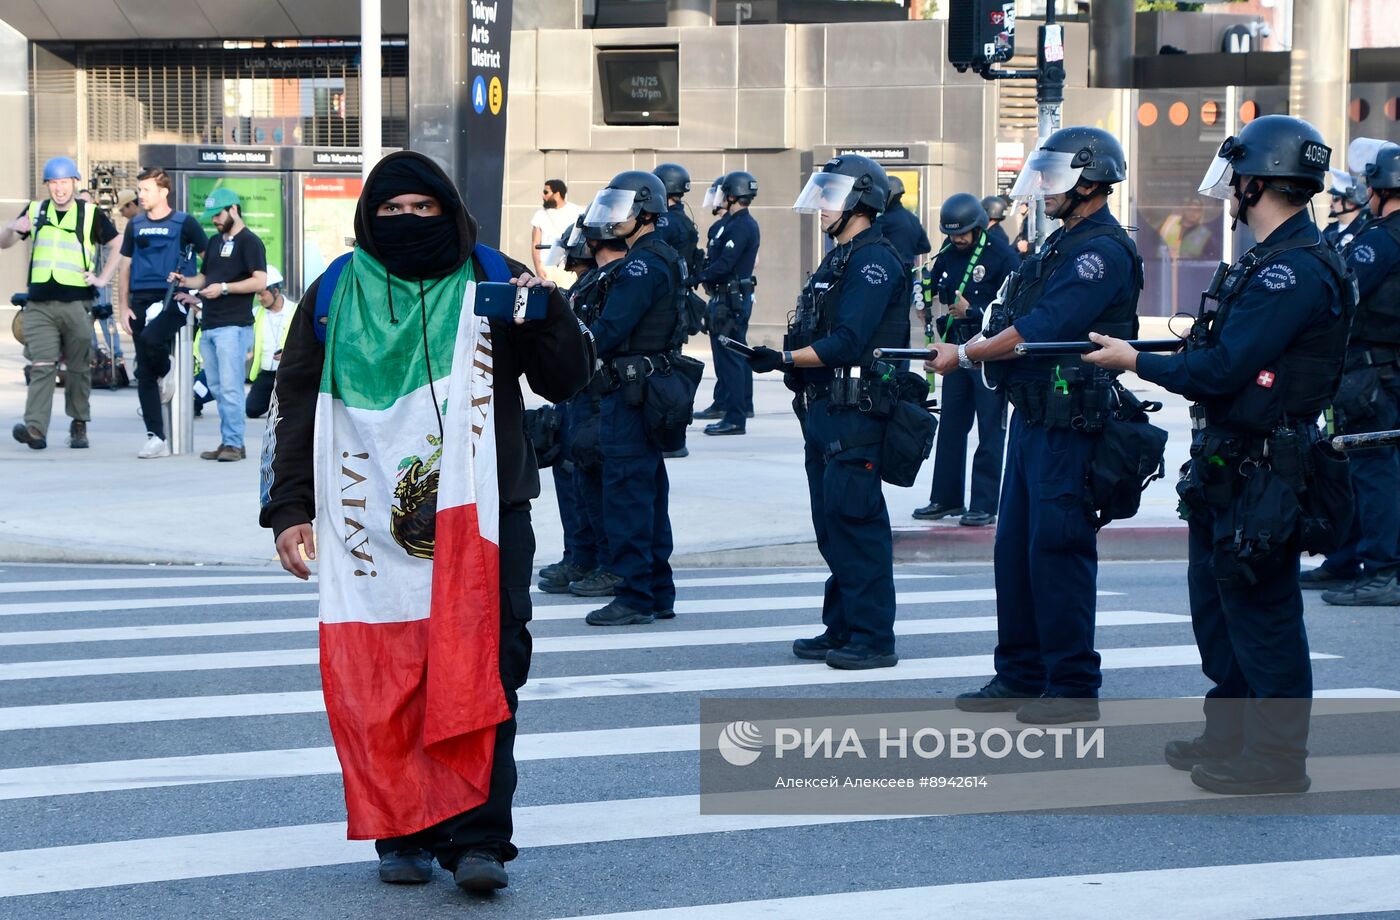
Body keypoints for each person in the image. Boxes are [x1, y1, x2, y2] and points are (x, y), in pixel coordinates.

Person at [261, 150, 592, 892]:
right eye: (391, 211)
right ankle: (402, 833)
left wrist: (549, 313)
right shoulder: (336, 291)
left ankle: (478, 841)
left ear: (450, 209)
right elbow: (299, 401)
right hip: (369, 523)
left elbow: (565, 380)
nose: (409, 222)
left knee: (487, 673)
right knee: (392, 676)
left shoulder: (493, 276)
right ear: (367, 218)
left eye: (424, 209)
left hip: (485, 519)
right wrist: (288, 508)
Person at [1085, 114, 1352, 794]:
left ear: (1258, 181)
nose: (1230, 189)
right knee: (1220, 605)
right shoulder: (1270, 261)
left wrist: (1136, 359)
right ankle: (1230, 735)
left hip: (1266, 464)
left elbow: (1222, 369)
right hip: (1234, 460)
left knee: (1263, 613)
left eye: (1238, 177)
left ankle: (1275, 761)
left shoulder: (1291, 273)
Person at [929, 127, 1143, 723]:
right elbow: (1007, 312)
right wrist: (967, 343)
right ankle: (1021, 673)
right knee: (1015, 551)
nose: (1045, 188)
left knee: (1058, 549)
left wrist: (967, 356)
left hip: (1070, 421)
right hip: (1033, 417)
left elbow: (1042, 326)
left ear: (1092, 183)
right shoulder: (1058, 244)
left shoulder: (1099, 251)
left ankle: (1072, 687)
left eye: (1058, 177)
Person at [745, 154, 909, 669]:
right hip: (824, 411)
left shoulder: (874, 260)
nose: (821, 208)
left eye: (831, 197)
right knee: (832, 524)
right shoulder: (840, 257)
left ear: (860, 201)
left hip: (856, 412)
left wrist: (784, 359)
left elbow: (848, 340)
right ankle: (842, 627)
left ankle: (873, 637)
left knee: (856, 521)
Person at [578, 170, 686, 626]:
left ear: (644, 212)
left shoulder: (641, 265)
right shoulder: (655, 256)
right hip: (646, 389)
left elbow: (608, 331)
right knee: (647, 493)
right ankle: (657, 591)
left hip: (631, 392)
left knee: (626, 494)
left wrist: (567, 341)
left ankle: (635, 596)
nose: (612, 217)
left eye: (622, 208)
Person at [1305, 143, 1400, 607]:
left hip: (1370, 375)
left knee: (1372, 472)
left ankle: (1382, 570)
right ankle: (1350, 560)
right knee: (1375, 470)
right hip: (1387, 373)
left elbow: (1340, 294)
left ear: (1379, 189)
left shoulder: (1380, 240)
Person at [2, 157, 121, 450]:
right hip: (40, 304)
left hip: (77, 303)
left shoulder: (91, 214)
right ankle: (35, 429)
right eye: (53, 183)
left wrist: (102, 278)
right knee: (42, 364)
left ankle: (79, 422)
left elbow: (118, 244)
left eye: (64, 182)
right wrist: (9, 227)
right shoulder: (35, 210)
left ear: (74, 183)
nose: (59, 189)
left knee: (79, 368)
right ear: (47, 185)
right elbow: (5, 242)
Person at [914, 193, 1017, 527]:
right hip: (956, 346)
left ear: (978, 226)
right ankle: (945, 497)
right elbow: (934, 284)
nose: (957, 239)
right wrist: (923, 300)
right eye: (951, 233)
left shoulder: (1002, 255)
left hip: (990, 349)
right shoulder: (947, 253)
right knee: (952, 425)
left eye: (963, 233)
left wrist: (972, 310)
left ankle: (984, 503)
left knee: (990, 428)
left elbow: (1015, 304)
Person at [538, 219, 626, 598]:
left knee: (591, 479)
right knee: (571, 473)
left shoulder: (612, 280)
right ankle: (580, 554)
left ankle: (602, 561)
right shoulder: (588, 283)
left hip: (596, 394)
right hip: (576, 392)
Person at [168, 188, 267, 462]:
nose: (214, 220)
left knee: (231, 386)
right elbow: (205, 278)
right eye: (211, 216)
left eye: (218, 214)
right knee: (218, 386)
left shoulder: (250, 242)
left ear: (234, 209)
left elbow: (259, 281)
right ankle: (228, 441)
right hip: (211, 325)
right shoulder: (214, 243)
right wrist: (186, 284)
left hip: (233, 326)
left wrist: (224, 288)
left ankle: (235, 443)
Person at [117, 167, 208, 458]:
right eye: (139, 190)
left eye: (145, 190)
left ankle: (167, 368)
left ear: (163, 191)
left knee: (151, 339)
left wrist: (193, 291)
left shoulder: (186, 223)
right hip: (141, 300)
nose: (140, 195)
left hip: (174, 299)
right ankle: (156, 437)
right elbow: (124, 267)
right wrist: (123, 307)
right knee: (143, 371)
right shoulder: (135, 225)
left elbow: (211, 262)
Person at [693, 171, 761, 436]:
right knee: (727, 358)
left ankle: (735, 418)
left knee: (731, 357)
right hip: (724, 297)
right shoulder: (731, 223)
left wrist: (695, 277)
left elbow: (725, 264)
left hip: (731, 299)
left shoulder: (743, 225)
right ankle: (731, 407)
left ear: (732, 195)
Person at [245, 266, 297, 419]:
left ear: (275, 291)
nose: (259, 298)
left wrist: (290, 353)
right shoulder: (255, 313)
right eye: (257, 295)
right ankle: (275, 400)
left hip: (288, 373)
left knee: (289, 413)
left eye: (262, 294)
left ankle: (282, 400)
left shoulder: (296, 311)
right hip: (266, 374)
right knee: (252, 410)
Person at [529, 179, 584, 285]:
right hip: (547, 267)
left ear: (557, 194)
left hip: (569, 266)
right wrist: (538, 267)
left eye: (546, 192)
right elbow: (535, 243)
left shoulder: (576, 211)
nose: (543, 196)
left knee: (568, 299)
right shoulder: (540, 215)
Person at [876, 176, 931, 269]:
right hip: (909, 272)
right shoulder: (913, 218)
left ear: (888, 195)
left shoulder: (883, 221)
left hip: (890, 270)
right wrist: (907, 252)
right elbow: (925, 246)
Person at [1322, 168, 1370, 251]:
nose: (1331, 202)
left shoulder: (1364, 232)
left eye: (1336, 198)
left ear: (1351, 203)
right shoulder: (1329, 230)